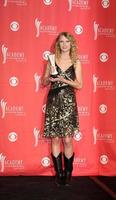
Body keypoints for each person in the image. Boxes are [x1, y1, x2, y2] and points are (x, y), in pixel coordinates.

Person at [42, 32, 82, 186]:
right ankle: (59, 174)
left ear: (71, 43)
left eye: (67, 41)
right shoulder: (51, 59)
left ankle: (68, 172)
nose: (64, 44)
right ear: (58, 44)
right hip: (53, 101)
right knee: (55, 138)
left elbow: (79, 85)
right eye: (61, 42)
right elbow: (44, 82)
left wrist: (63, 79)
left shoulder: (76, 61)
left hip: (68, 103)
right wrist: (49, 79)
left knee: (67, 139)